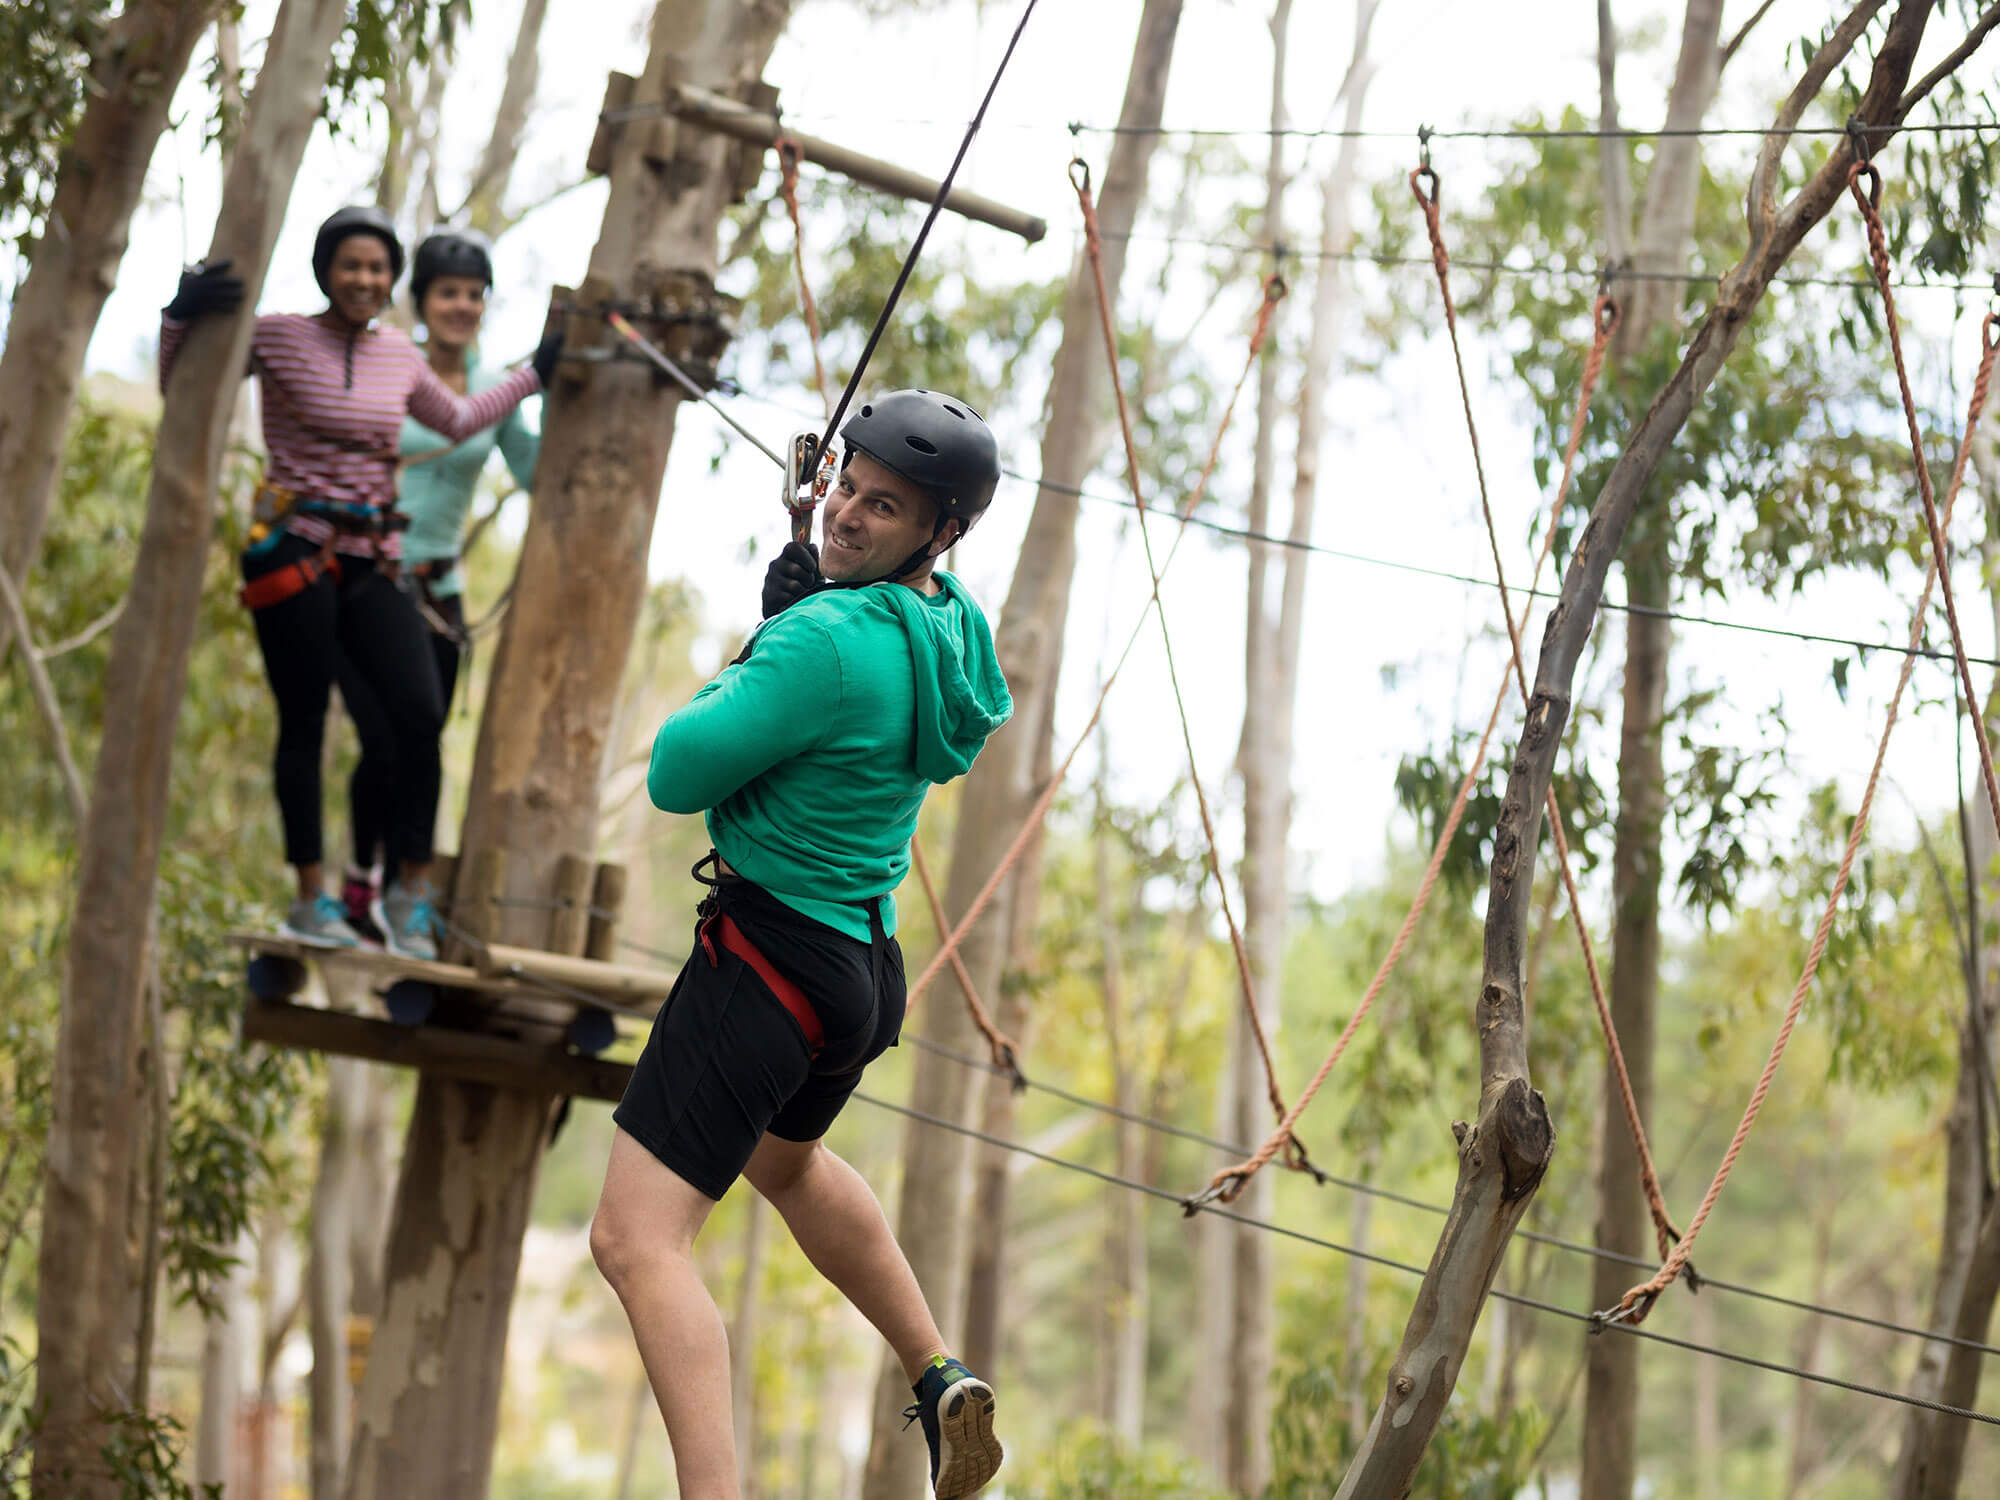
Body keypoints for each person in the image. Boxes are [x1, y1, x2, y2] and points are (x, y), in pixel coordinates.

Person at [589, 390, 1013, 1500]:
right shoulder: (951, 628)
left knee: (637, 1241)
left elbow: (677, 771)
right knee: (785, 1163)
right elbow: (858, 667)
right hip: (859, 974)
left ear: (942, 530)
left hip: (766, 964)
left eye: (884, 506)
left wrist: (766, 639)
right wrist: (811, 608)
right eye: (845, 487)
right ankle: (936, 1370)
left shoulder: (822, 639)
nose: (847, 515)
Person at [160, 205, 561, 956]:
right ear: (325, 270)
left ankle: (410, 894)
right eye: (351, 265)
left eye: (378, 268)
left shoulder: (398, 358)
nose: (365, 279)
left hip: (373, 558)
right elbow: (183, 387)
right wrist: (179, 317)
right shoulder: (277, 335)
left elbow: (458, 420)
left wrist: (535, 375)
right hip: (295, 549)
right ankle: (311, 897)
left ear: (391, 279)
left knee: (419, 715)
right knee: (305, 720)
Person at [339, 228, 541, 941]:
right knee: (386, 739)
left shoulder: (497, 391)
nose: (462, 305)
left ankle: (408, 894)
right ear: (421, 301)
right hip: (368, 578)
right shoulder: (388, 369)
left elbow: (534, 473)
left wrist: (563, 392)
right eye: (447, 292)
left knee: (421, 738)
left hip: (441, 592)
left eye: (474, 295)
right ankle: (364, 881)